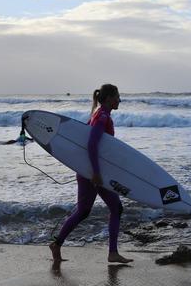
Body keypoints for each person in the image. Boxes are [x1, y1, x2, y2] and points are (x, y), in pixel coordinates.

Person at [49, 84, 133, 264]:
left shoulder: (98, 114)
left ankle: (58, 245)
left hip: (90, 171)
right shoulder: (102, 117)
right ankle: (112, 252)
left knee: (86, 211)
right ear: (110, 98)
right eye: (118, 96)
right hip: (94, 174)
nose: (120, 100)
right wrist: (95, 173)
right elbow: (91, 145)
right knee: (110, 209)